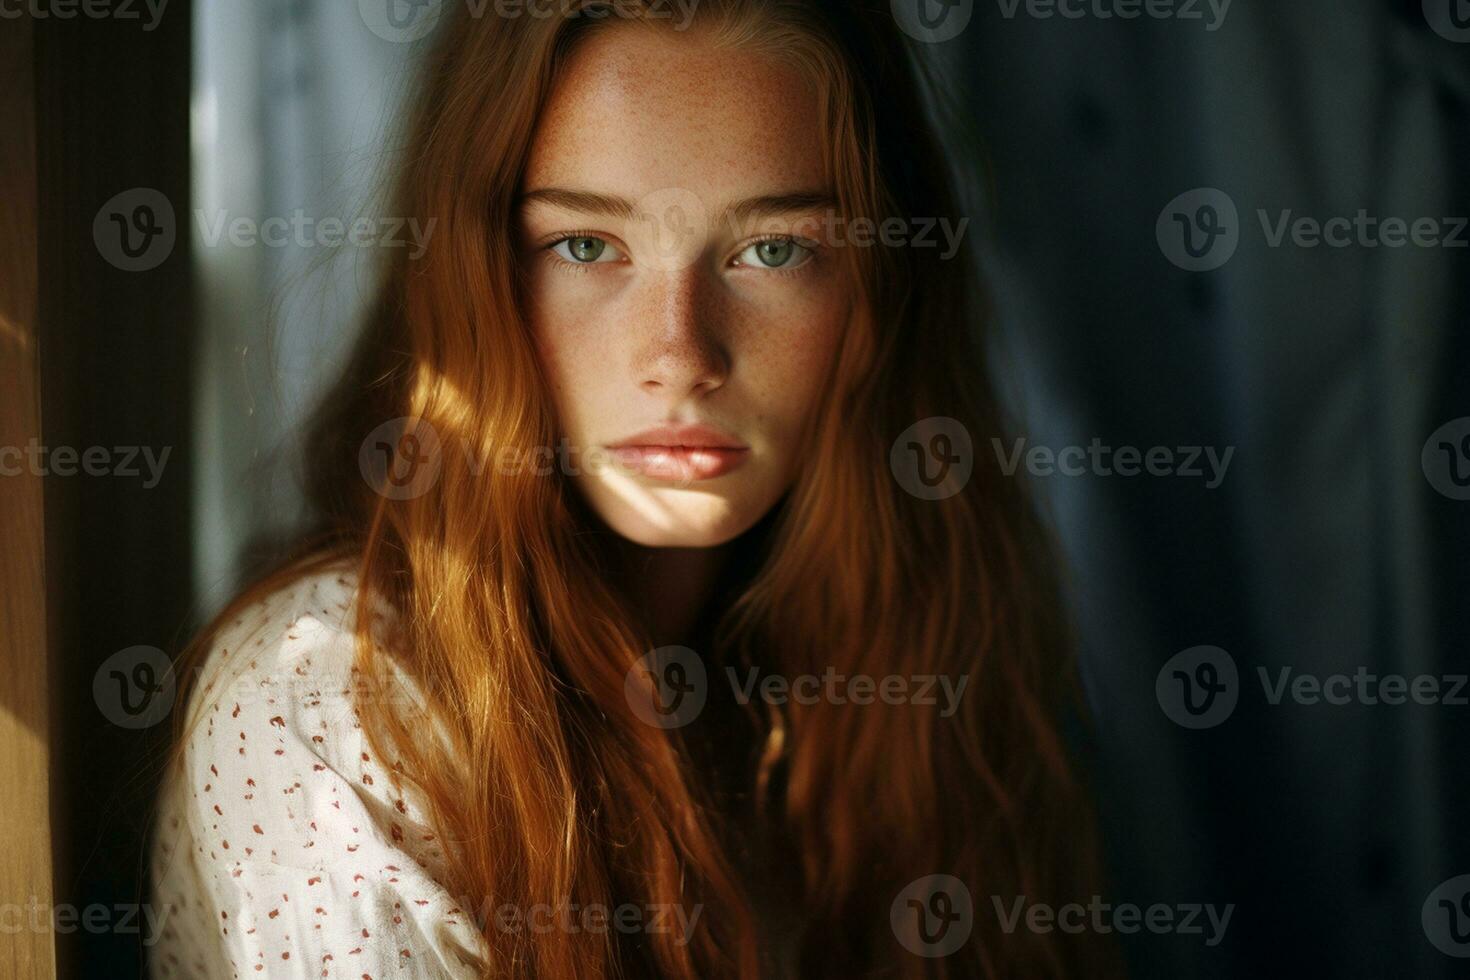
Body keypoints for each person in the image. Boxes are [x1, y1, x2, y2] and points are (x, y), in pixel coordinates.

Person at [148, 1, 1122, 976]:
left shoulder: (900, 683)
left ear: (878, 292)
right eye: (585, 245)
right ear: (477, 276)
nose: (680, 355)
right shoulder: (338, 703)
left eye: (772, 249)